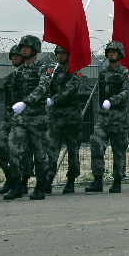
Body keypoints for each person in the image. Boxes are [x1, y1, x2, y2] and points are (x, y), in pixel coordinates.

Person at [5, 35, 52, 200]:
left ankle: (40, 186)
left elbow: (42, 87)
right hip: (20, 119)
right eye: (22, 46)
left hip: (38, 118)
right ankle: (17, 185)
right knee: (13, 148)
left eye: (27, 47)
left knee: (40, 154)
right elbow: (13, 95)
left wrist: (26, 102)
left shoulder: (43, 68)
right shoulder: (19, 71)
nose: (23, 49)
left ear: (35, 49)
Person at [86, 41, 129, 194]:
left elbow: (126, 92)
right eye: (109, 51)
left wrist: (112, 101)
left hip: (118, 116)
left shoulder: (125, 73)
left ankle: (117, 181)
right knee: (96, 143)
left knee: (118, 149)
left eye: (114, 52)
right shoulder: (104, 73)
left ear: (120, 54)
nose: (111, 54)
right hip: (104, 116)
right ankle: (98, 179)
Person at [44, 46, 86, 194]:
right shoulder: (54, 72)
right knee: (51, 151)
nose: (61, 56)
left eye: (64, 54)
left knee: (73, 152)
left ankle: (71, 181)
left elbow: (69, 89)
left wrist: (53, 99)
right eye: (59, 53)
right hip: (55, 118)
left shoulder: (74, 71)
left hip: (71, 119)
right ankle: (48, 180)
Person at [0, 45, 33, 194]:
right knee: (1, 146)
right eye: (13, 56)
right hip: (10, 117)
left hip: (26, 118)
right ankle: (10, 177)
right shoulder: (9, 78)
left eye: (18, 55)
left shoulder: (30, 76)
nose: (15, 58)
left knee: (22, 151)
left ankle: (22, 182)